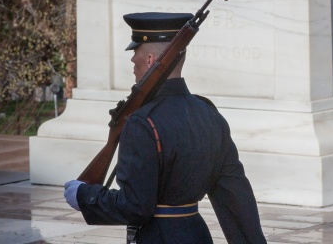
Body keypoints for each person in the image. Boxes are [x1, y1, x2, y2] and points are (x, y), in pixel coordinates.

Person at [64, 12, 267, 243]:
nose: (132, 63)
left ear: (150, 59)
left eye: (136, 54)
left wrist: (85, 195)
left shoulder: (142, 122)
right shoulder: (209, 114)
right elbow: (236, 198)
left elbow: (135, 206)